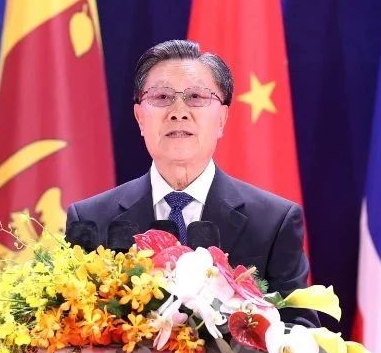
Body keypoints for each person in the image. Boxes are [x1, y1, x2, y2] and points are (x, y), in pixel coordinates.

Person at [66, 40, 309, 302]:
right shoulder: (91, 219)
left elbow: (298, 323)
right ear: (140, 118)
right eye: (162, 97)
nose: (178, 112)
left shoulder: (273, 222)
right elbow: (68, 317)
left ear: (222, 119)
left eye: (195, 97)